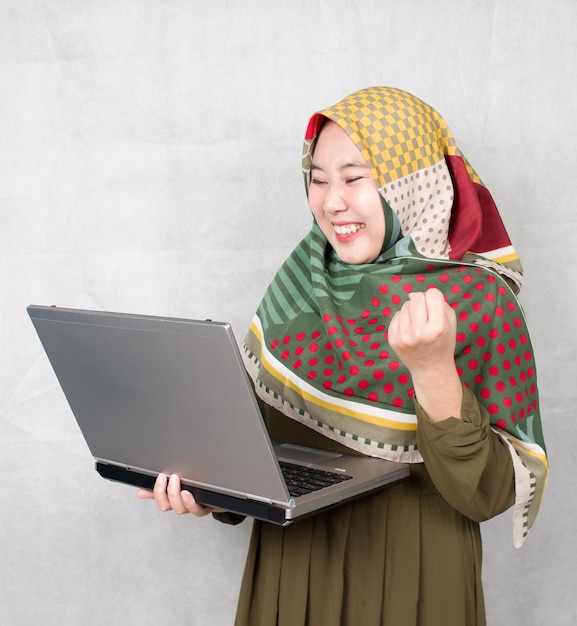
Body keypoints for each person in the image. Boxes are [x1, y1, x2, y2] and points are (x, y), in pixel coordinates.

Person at [138, 86, 548, 625]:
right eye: (318, 178)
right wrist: (211, 491)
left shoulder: (478, 301)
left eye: (356, 178)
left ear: (411, 184)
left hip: (415, 577)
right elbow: (255, 446)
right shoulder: (300, 282)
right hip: (291, 567)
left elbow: (488, 494)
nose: (332, 202)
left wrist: (431, 372)